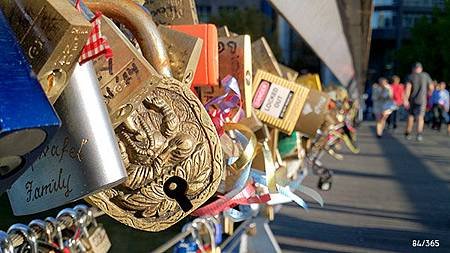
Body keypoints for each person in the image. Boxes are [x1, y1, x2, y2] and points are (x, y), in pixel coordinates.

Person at [404, 62, 433, 141]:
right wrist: (428, 95)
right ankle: (419, 134)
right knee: (420, 117)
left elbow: (408, 89)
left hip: (412, 100)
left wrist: (406, 99)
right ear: (421, 68)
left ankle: (408, 132)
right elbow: (431, 87)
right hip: (422, 100)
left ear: (413, 69)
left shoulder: (410, 76)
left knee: (411, 116)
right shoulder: (426, 75)